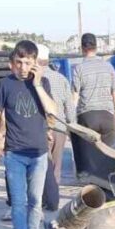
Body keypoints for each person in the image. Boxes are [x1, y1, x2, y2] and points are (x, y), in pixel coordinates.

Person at [0, 40, 61, 229]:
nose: (22, 67)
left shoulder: (43, 83)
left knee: (35, 201)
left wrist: (37, 84)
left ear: (35, 63)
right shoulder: (5, 85)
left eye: (27, 62)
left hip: (38, 152)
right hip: (14, 153)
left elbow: (52, 110)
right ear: (12, 63)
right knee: (18, 203)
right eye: (18, 62)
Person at [70, 32, 115, 178]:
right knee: (109, 154)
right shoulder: (108, 67)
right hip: (107, 116)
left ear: (82, 48)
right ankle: (109, 181)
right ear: (96, 47)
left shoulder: (79, 69)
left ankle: (86, 176)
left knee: (88, 154)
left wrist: (72, 119)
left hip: (87, 117)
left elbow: (75, 96)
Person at [37, 44, 74, 212]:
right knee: (56, 167)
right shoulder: (61, 79)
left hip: (40, 129)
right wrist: (72, 126)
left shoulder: (33, 81)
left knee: (41, 166)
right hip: (59, 127)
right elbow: (69, 106)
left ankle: (42, 199)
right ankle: (54, 200)